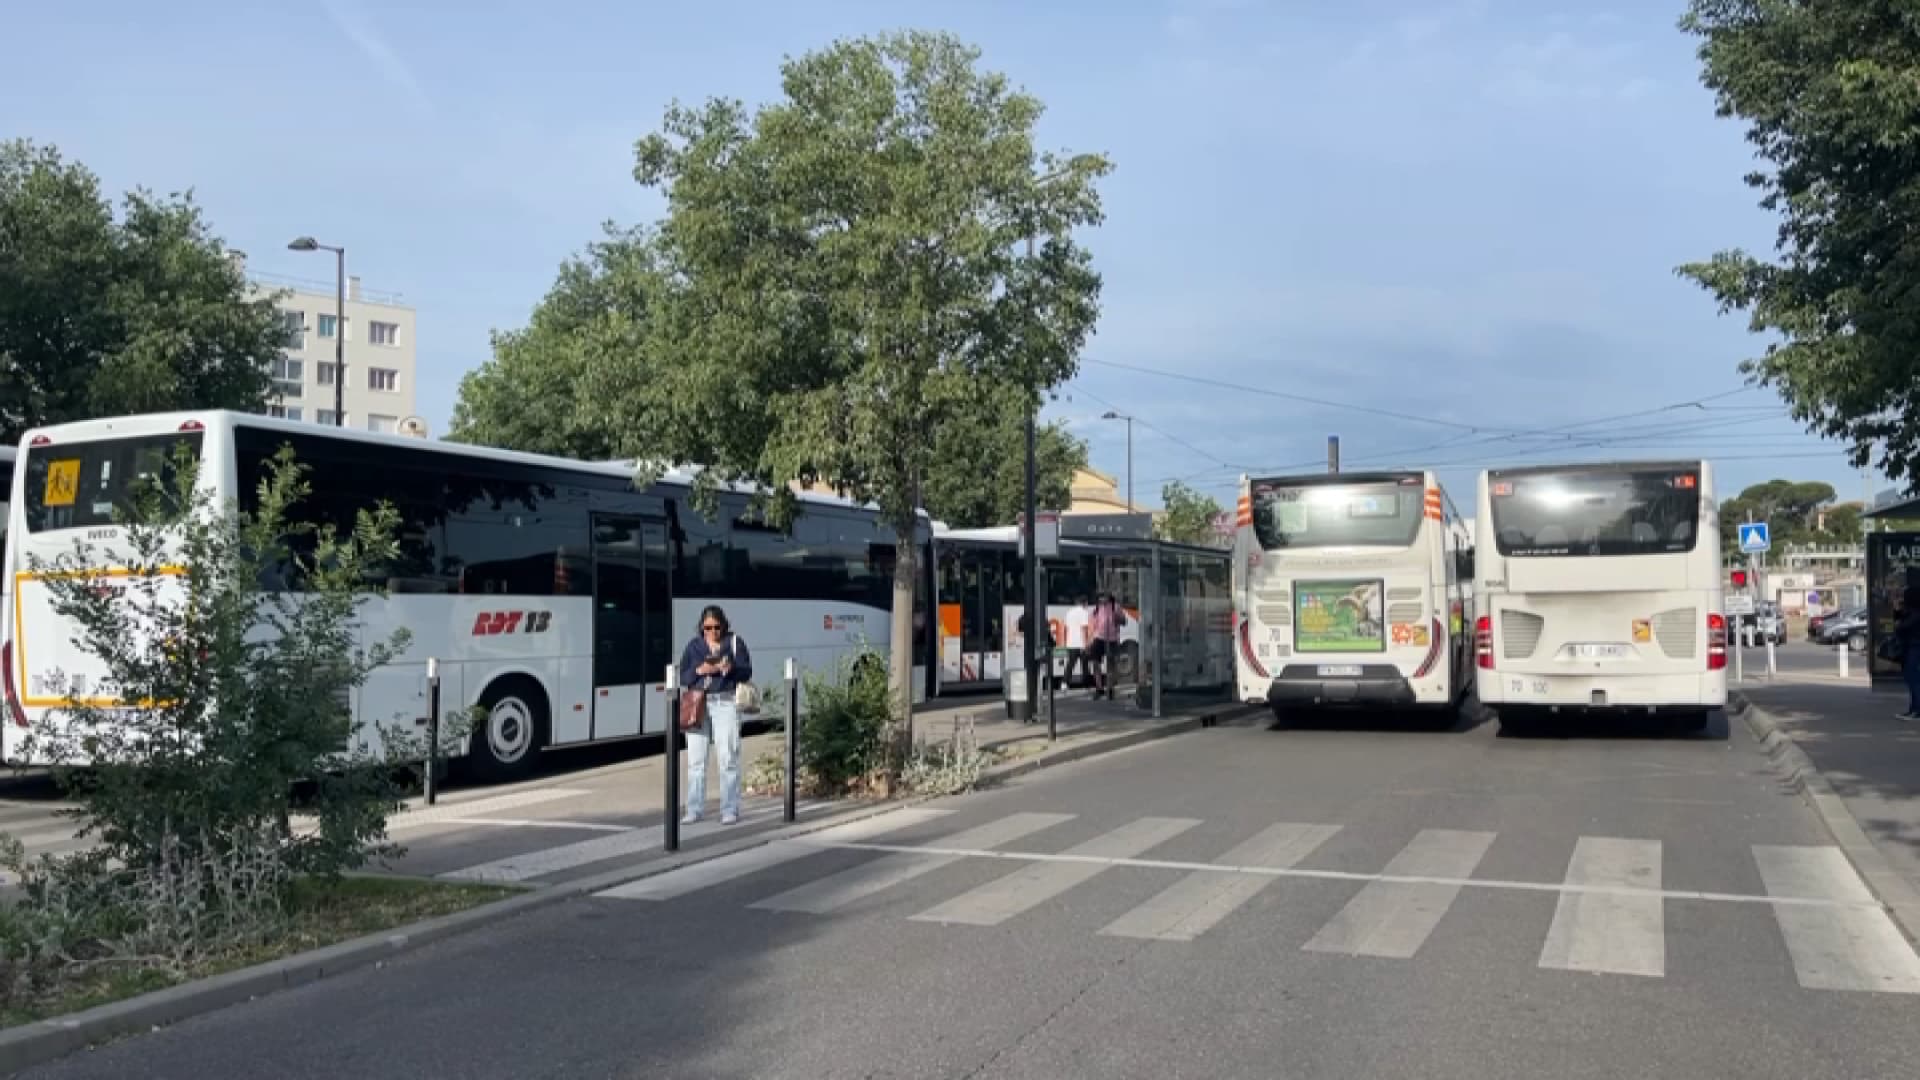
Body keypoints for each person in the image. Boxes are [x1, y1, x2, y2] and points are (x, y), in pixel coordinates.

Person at [679, 605, 753, 825]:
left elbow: (747, 670)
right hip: (698, 703)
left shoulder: (734, 643)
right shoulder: (694, 646)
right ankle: (694, 809)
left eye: (716, 627)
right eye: (707, 628)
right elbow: (683, 675)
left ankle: (729, 808)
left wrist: (728, 668)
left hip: (725, 701)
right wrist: (699, 671)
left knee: (728, 757)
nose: (711, 632)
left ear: (723, 625)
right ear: (701, 627)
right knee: (696, 760)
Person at [1088, 592, 1122, 700]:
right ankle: (1099, 688)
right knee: (1095, 663)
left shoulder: (1115, 607)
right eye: (1100, 598)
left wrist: (1117, 617)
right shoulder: (1097, 609)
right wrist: (1089, 641)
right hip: (1099, 638)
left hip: (1112, 639)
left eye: (1104, 597)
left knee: (1111, 664)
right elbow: (1092, 626)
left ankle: (1110, 688)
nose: (1102, 599)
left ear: (1109, 598)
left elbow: (1123, 621)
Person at [1897, 588, 1920, 721]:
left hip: (1915, 647)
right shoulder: (1912, 612)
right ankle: (1913, 709)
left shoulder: (1916, 613)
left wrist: (1899, 623)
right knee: (1911, 678)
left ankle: (1917, 710)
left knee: (1913, 679)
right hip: (1911, 647)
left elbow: (1902, 627)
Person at [1062, 596, 1092, 689]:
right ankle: (1086, 684)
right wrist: (1086, 643)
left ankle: (1064, 683)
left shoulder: (1069, 612)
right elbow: (1084, 629)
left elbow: (1066, 628)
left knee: (1070, 664)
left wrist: (1066, 642)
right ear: (1084, 603)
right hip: (1080, 643)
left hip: (1071, 643)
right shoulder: (1084, 613)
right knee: (1085, 665)